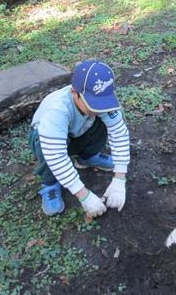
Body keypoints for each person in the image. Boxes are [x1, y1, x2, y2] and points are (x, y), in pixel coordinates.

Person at [27, 60, 130, 218]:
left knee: (102, 120)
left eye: (102, 102)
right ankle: (50, 183)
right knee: (44, 145)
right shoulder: (58, 110)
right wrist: (84, 195)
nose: (100, 107)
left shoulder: (101, 95)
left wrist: (119, 179)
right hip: (48, 141)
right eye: (93, 104)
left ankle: (87, 157)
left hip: (79, 131)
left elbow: (119, 132)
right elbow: (56, 156)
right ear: (74, 92)